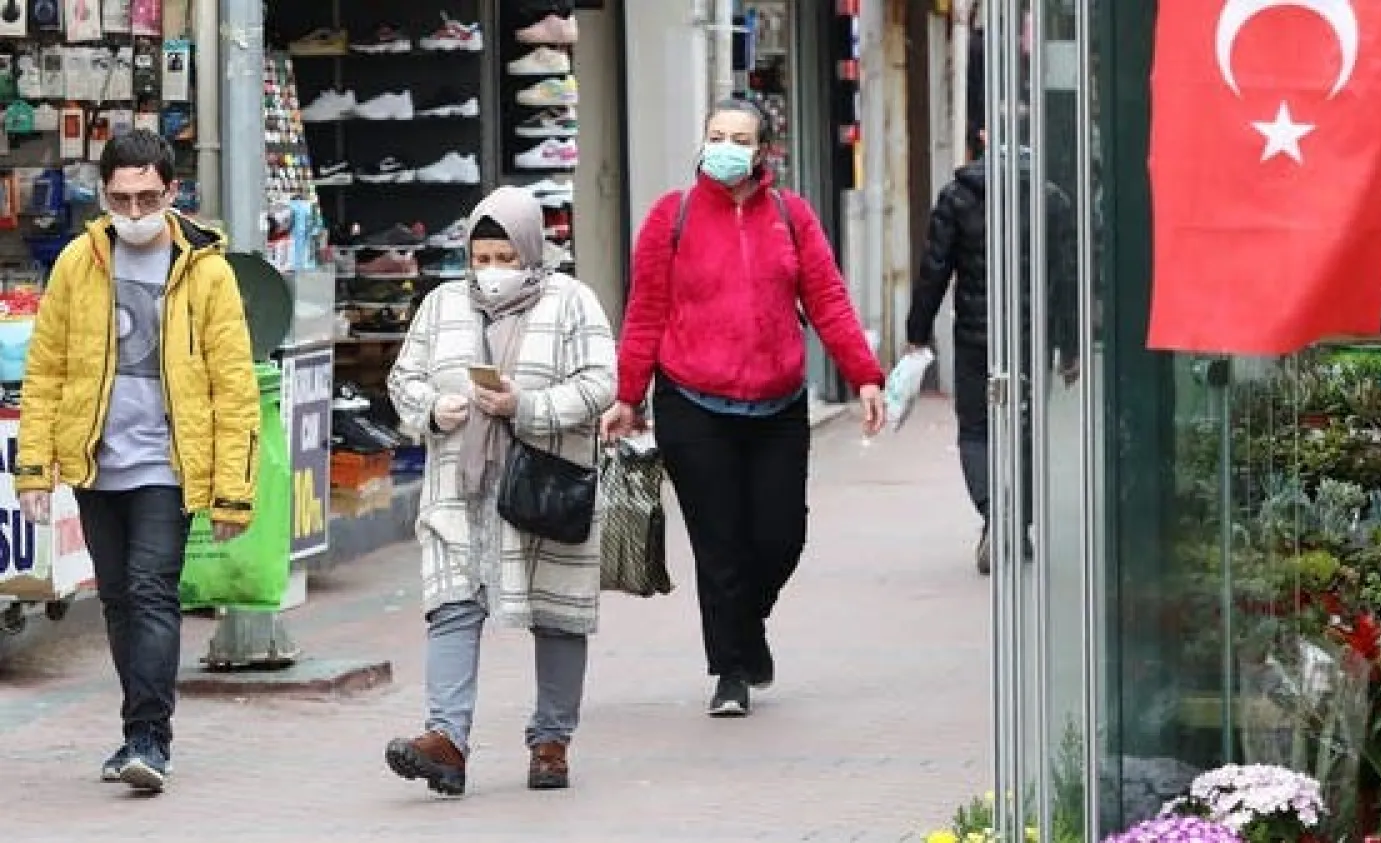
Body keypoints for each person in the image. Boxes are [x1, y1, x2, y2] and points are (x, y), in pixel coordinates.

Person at [602, 98, 886, 718]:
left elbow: (829, 299)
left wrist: (864, 375)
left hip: (777, 404)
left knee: (782, 536)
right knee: (720, 542)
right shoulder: (668, 218)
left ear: (762, 152)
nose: (725, 146)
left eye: (739, 137)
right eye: (716, 135)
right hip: (692, 403)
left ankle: (745, 627)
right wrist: (628, 394)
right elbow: (645, 310)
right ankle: (729, 669)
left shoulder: (792, 215)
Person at [15, 128, 260, 792]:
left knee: (152, 593)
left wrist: (233, 492)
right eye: (120, 199)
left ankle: (150, 735)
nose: (133, 212)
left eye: (146, 197)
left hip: (167, 465)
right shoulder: (77, 262)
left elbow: (234, 386)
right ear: (103, 194)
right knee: (120, 599)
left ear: (172, 192)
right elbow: (45, 370)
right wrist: (34, 468)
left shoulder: (207, 271)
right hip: (96, 463)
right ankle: (136, 732)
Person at [384, 186, 617, 797]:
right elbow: (403, 378)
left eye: (505, 257)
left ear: (532, 250)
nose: (491, 271)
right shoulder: (440, 305)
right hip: (460, 487)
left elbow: (600, 383)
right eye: (481, 258)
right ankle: (446, 743)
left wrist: (527, 406)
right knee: (453, 604)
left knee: (557, 612)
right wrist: (436, 408)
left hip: (545, 483)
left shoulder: (572, 302)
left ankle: (550, 743)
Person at [905, 128, 1078, 575]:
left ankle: (992, 513)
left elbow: (934, 270)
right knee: (1027, 430)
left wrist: (918, 332)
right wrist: (1072, 345)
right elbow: (1067, 278)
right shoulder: (1052, 199)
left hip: (976, 339)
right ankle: (1016, 523)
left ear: (982, 142)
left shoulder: (958, 196)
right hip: (1030, 338)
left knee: (977, 429)